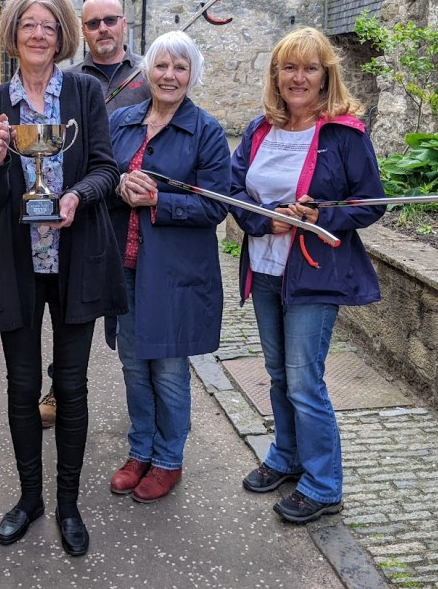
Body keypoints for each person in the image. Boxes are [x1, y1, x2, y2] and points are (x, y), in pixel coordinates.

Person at [0, 0, 126, 556]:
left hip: (75, 258)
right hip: (18, 262)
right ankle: (29, 498)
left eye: (49, 27)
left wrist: (76, 198)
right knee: (19, 386)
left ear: (62, 36)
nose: (38, 35)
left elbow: (107, 169)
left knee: (71, 385)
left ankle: (67, 503)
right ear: (13, 34)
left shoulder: (85, 92)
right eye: (28, 26)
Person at [228, 26, 385, 524]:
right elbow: (235, 193)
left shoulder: (343, 134)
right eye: (289, 68)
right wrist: (264, 219)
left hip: (315, 275)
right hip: (266, 269)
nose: (299, 78)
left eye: (309, 68)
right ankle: (287, 455)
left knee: (304, 381)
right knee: (278, 375)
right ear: (276, 75)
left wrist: (323, 216)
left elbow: (370, 203)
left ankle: (323, 484)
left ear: (325, 76)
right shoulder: (259, 130)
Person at [106, 31, 232, 503]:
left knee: (169, 370)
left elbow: (216, 206)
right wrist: (119, 186)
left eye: (180, 67)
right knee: (134, 365)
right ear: (147, 71)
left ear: (192, 75)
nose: (169, 75)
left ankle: (167, 461)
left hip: (175, 272)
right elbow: (101, 174)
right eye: (161, 65)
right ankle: (139, 450)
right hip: (126, 265)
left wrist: (161, 199)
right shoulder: (122, 121)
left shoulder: (206, 131)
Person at [33, 0, 150, 430]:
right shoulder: (66, 80)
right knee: (71, 314)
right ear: (82, 31)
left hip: (129, 214)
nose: (102, 29)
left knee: (132, 322)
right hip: (79, 214)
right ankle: (60, 390)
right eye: (93, 23)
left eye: (110, 20)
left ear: (123, 24)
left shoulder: (146, 75)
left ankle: (147, 409)